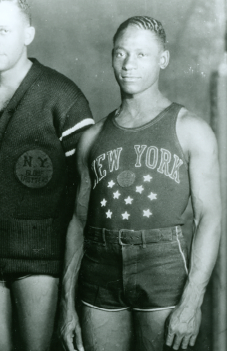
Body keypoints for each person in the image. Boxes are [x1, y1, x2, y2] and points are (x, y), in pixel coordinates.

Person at [59, 16, 221, 351]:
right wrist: (66, 306)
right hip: (99, 265)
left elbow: (210, 218)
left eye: (142, 54)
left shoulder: (191, 129)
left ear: (163, 59)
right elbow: (77, 221)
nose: (129, 64)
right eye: (121, 53)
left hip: (163, 266)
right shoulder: (92, 138)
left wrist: (191, 302)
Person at [0, 1, 95, 350]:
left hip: (41, 256)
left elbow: (86, 193)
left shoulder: (63, 97)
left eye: (4, 31)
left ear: (28, 34)